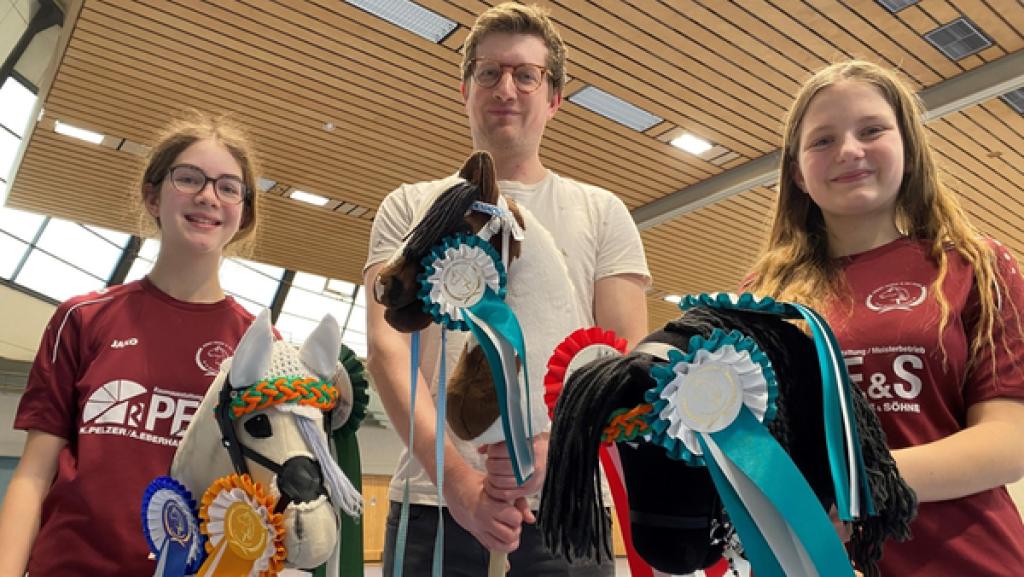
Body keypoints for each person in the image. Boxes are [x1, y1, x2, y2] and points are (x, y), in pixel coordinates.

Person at [363, 3, 650, 575]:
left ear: (554, 97)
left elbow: (628, 360)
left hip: (568, 506)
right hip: (432, 505)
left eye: (526, 74)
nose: (506, 88)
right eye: (489, 72)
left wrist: (557, 450)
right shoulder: (407, 206)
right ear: (464, 86)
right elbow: (387, 350)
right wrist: (461, 484)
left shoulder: (602, 212)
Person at [745, 59, 1024, 576]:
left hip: (966, 560)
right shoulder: (762, 299)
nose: (849, 150)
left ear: (909, 151)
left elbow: (1010, 441)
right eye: (822, 141)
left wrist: (855, 483)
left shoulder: (973, 267)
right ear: (797, 174)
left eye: (871, 130)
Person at [0, 112, 264, 576]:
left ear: (243, 213)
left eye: (228, 186)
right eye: (189, 178)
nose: (208, 196)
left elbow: (262, 498)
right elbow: (34, 473)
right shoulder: (81, 318)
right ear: (152, 195)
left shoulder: (257, 344)